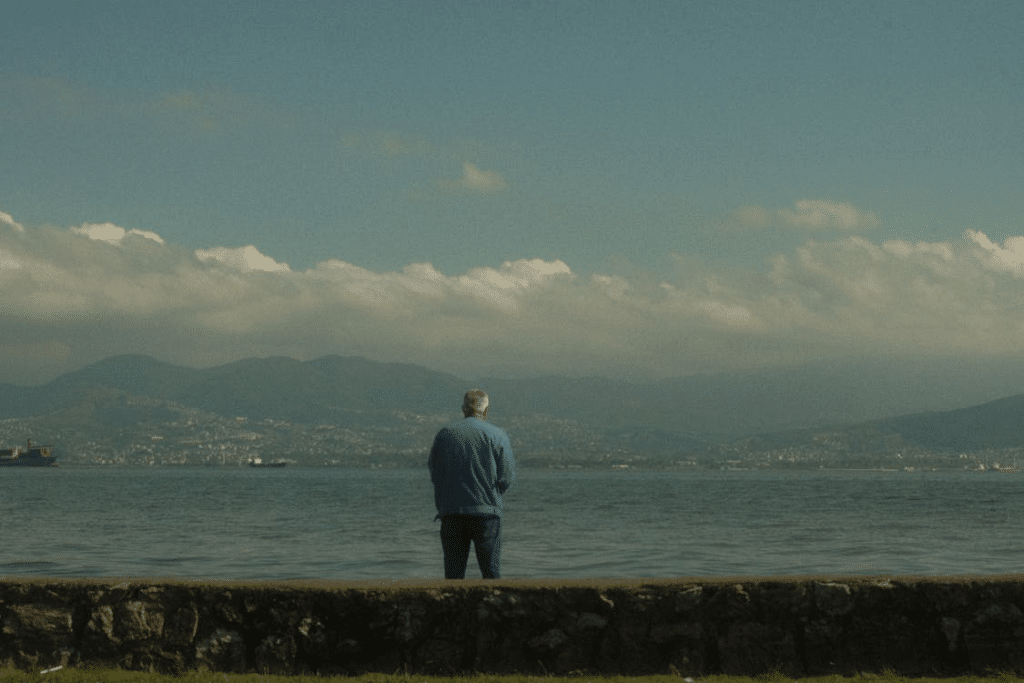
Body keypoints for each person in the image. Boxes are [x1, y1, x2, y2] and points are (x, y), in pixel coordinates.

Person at [428, 388, 515, 579]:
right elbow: (507, 477)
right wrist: (491, 493)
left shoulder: (444, 435)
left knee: (453, 575)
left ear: (463, 409)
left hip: (451, 512)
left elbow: (435, 473)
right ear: (486, 410)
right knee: (491, 574)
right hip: (486, 513)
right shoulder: (497, 435)